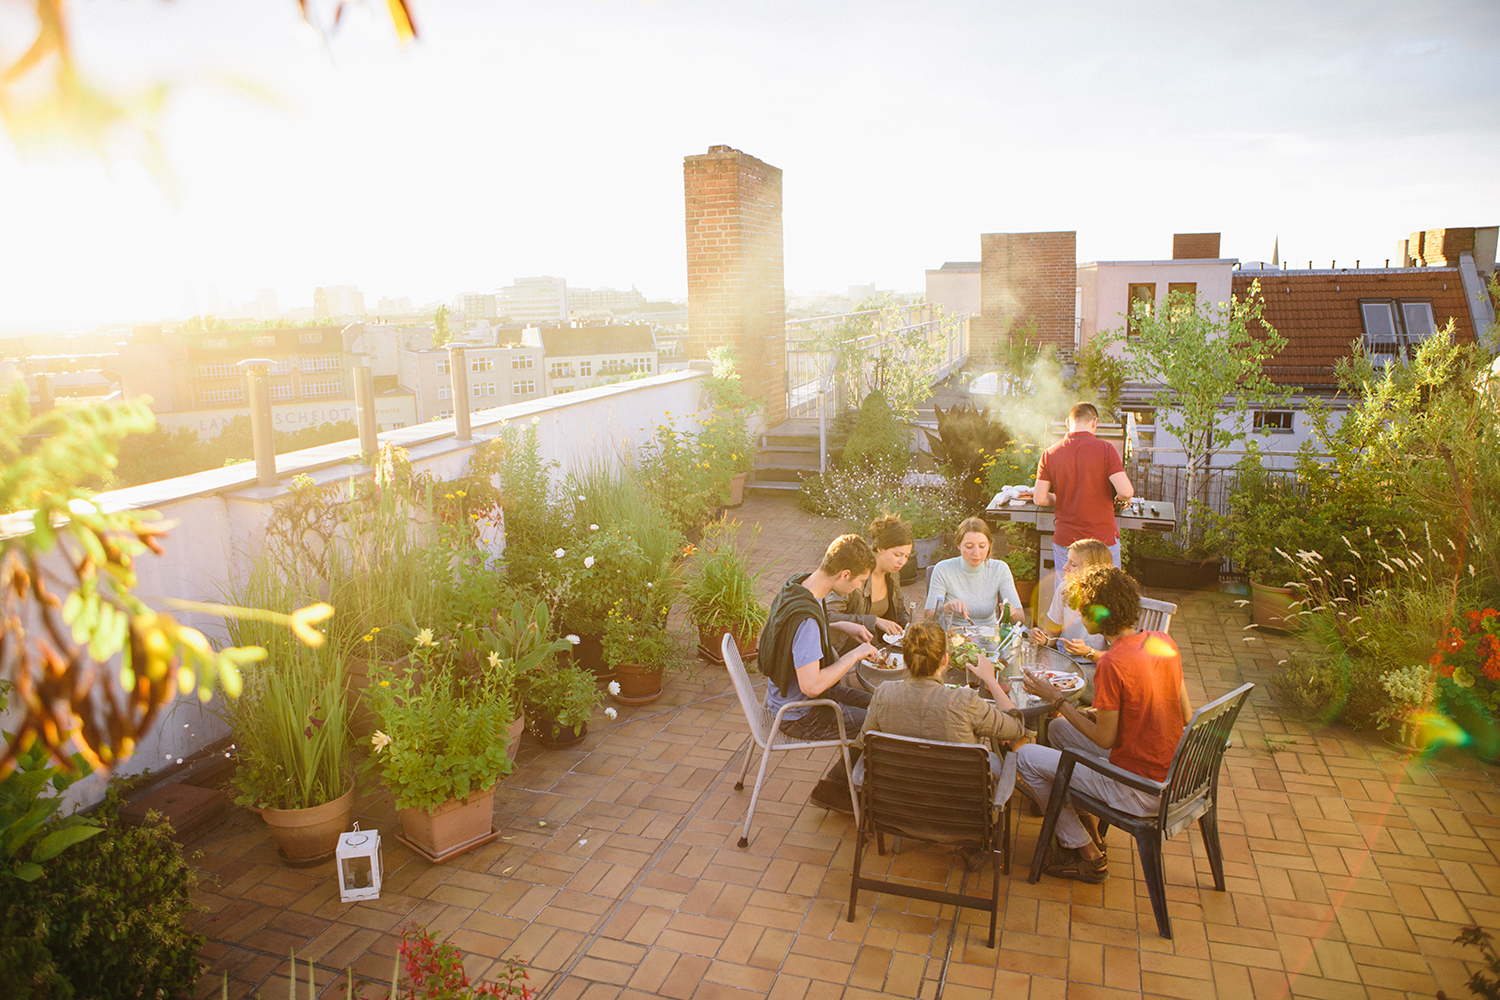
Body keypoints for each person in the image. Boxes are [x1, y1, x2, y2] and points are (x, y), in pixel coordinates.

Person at [1015, 566, 1192, 884]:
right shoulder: (1163, 640)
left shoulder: (1111, 663)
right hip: (1173, 775)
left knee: (1027, 758)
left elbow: (1105, 739)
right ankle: (1089, 828)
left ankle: (1087, 854)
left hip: (1139, 788)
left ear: (1093, 617)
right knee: (1057, 730)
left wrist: (1056, 698)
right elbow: (1186, 714)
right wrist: (1112, 714)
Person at [854, 621, 1026, 868]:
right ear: (945, 660)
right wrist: (990, 679)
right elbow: (1015, 727)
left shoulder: (883, 695)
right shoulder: (965, 701)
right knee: (1000, 762)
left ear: (905, 659)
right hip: (963, 820)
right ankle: (978, 846)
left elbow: (863, 743)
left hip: (899, 814)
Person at [759, 534, 880, 812]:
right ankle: (840, 790)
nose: (860, 587)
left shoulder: (800, 585)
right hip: (799, 713)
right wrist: (855, 654)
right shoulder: (807, 621)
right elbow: (812, 686)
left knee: (881, 705)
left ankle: (840, 783)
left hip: (783, 698)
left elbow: (801, 631)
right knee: (881, 724)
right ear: (844, 574)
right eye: (860, 581)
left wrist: (842, 626)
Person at [1033, 402, 1134, 578]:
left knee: (1068, 596)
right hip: (1102, 542)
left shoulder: (1049, 453)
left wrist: (1062, 498)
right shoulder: (1106, 449)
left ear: (1067, 422)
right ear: (1094, 422)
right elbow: (1126, 491)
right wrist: (1117, 498)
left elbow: (1039, 498)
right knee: (1107, 595)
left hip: (1067, 541)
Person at [827, 514, 913, 652]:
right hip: (845, 651)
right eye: (897, 555)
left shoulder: (893, 573)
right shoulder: (856, 573)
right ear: (880, 548)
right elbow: (829, 615)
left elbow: (899, 608)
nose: (902, 562)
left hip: (877, 647)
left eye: (907, 556)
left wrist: (910, 628)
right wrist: (874, 621)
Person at [924, 517, 1025, 629]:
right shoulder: (943, 569)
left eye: (982, 546)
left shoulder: (999, 569)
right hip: (953, 637)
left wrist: (1012, 612)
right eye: (969, 547)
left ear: (989, 545)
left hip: (989, 637)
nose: (976, 553)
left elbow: (1020, 619)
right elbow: (928, 617)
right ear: (959, 545)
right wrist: (947, 608)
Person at [1028, 538, 1111, 667]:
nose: (1065, 567)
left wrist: (1088, 652)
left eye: (1073, 564)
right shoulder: (1064, 589)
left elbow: (1118, 656)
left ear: (1092, 569)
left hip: (1098, 667)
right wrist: (1043, 638)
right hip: (1066, 663)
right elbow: (1052, 632)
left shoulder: (1110, 599)